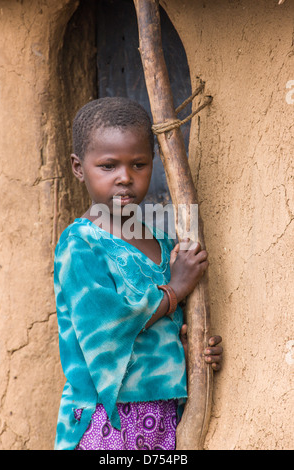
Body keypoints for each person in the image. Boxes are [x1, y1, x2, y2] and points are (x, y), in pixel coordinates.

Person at [54, 97, 223, 450]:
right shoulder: (79, 244)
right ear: (78, 167)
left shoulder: (163, 244)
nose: (125, 178)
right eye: (108, 165)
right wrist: (174, 289)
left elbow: (166, 326)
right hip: (107, 420)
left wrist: (193, 348)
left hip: (163, 416)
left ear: (154, 164)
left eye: (139, 164)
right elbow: (107, 328)